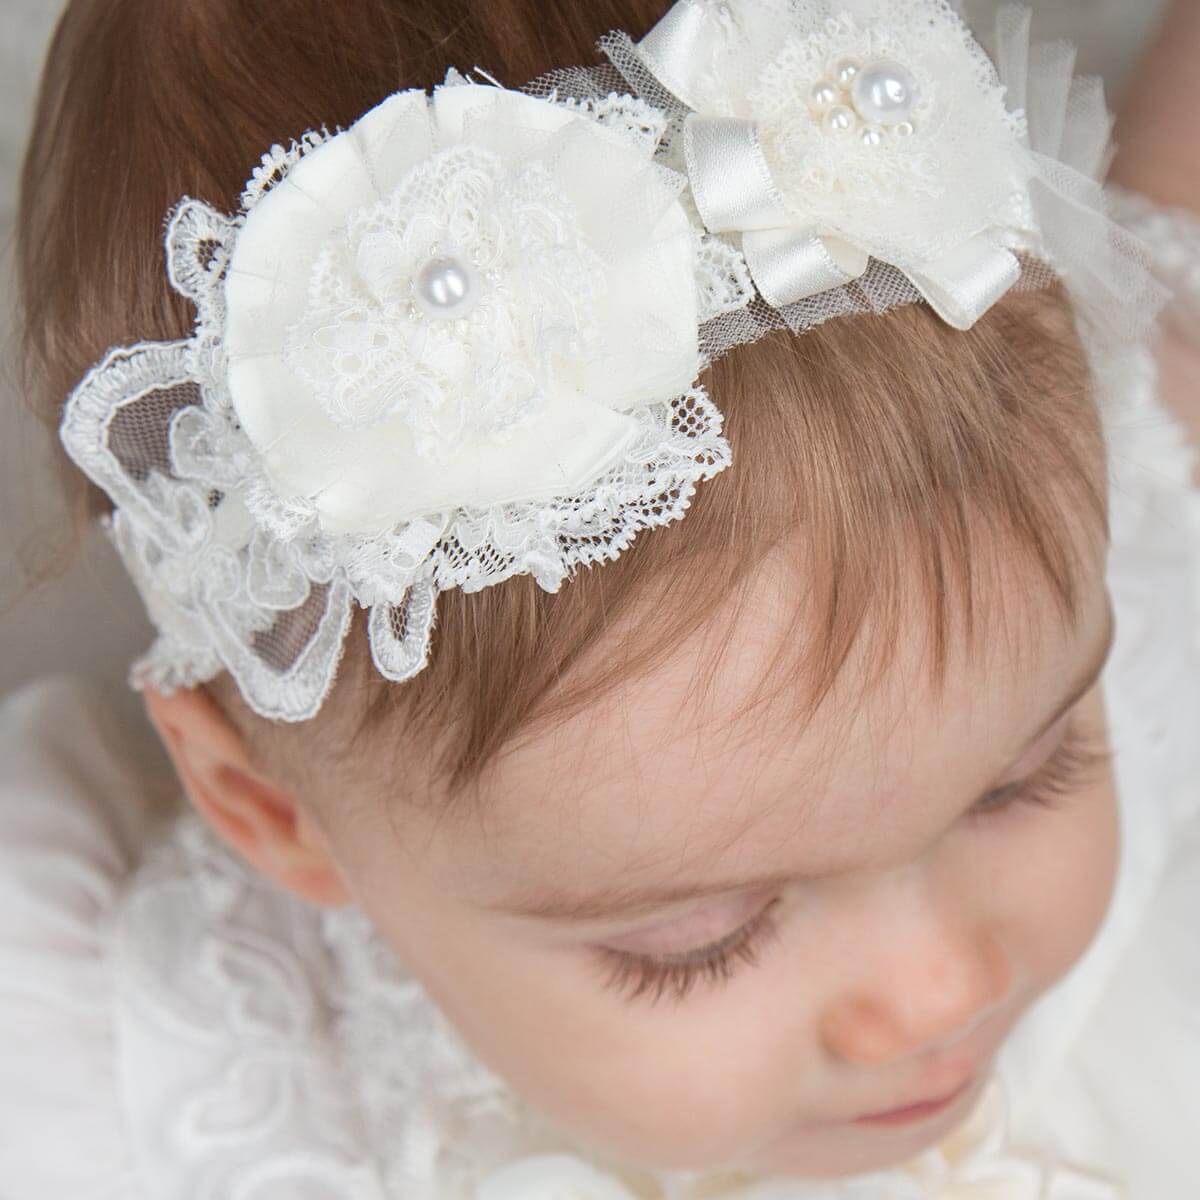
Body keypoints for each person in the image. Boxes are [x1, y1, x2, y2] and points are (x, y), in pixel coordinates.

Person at [1, 1, 1197, 1197]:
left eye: (1022, 778)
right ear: (265, 808)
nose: (942, 991)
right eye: (702, 945)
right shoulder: (120, 1070)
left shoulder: (1116, 541)